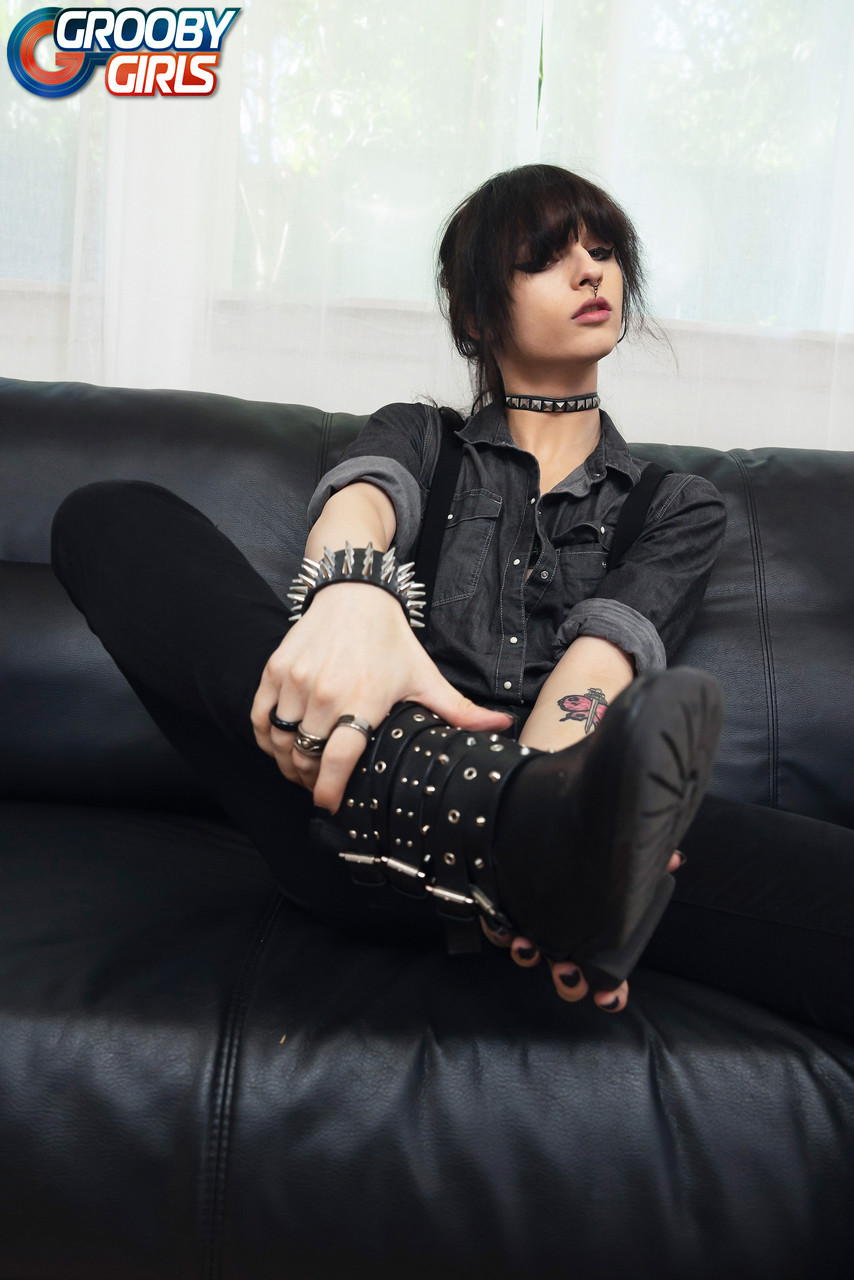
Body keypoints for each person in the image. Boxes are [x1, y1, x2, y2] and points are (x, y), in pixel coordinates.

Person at [50, 164, 854, 1036]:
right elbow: (362, 501)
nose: (591, 271)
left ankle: (527, 841)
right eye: (545, 258)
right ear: (475, 315)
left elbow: (597, 672)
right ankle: (505, 833)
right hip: (338, 795)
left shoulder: (677, 505)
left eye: (604, 250)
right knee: (108, 517)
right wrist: (353, 596)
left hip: (560, 827)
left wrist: (538, 825)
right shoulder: (421, 435)